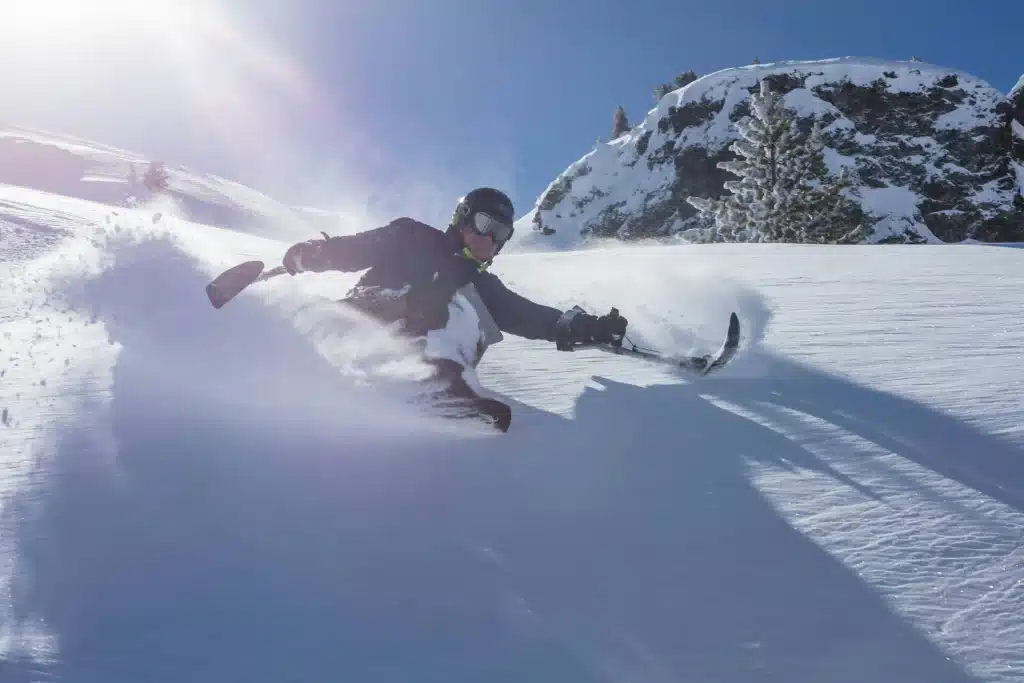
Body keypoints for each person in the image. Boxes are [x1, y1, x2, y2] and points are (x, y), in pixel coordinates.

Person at [280, 187, 627, 419]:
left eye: (502, 234)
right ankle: (432, 385)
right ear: (462, 218)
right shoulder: (412, 237)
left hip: (414, 360)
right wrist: (315, 254)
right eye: (484, 224)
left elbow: (529, 316)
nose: (491, 239)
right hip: (357, 324)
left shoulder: (481, 285)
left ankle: (441, 384)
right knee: (454, 298)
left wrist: (579, 327)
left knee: (471, 302)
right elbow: (356, 249)